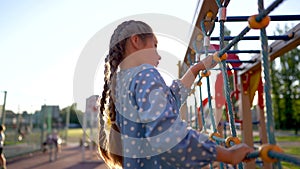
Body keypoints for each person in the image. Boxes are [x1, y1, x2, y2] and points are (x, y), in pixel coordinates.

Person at [98, 20, 254, 169]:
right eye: (155, 46)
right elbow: (166, 136)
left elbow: (169, 99)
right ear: (136, 41)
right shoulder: (145, 74)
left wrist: (195, 69)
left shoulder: (121, 83)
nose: (159, 56)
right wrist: (228, 154)